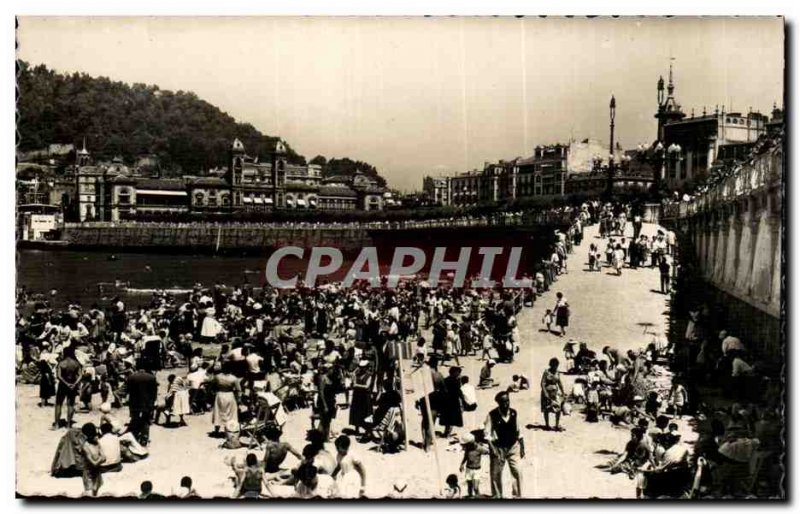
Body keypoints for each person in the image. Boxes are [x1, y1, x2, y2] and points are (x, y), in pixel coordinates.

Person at [484, 391, 524, 498]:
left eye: (507, 401)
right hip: (498, 448)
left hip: (513, 446)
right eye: (503, 402)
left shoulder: (514, 413)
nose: (506, 404)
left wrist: (522, 447)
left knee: (517, 471)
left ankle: (518, 496)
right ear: (498, 403)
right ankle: (497, 496)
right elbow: (487, 435)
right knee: (496, 474)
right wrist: (492, 449)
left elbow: (519, 431)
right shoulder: (492, 415)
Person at [126, 361, 157, 446]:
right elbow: (154, 392)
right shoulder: (151, 377)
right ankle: (144, 439)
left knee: (134, 419)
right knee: (146, 420)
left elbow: (128, 390)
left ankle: (135, 437)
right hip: (147, 402)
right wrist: (153, 402)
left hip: (134, 402)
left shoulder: (131, 377)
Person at [53, 346, 82, 429]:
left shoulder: (61, 363)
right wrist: (74, 384)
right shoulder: (76, 363)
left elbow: (59, 376)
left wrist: (66, 383)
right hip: (72, 384)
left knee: (58, 404)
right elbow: (80, 375)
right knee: (70, 405)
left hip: (62, 385)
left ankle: (57, 424)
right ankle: (69, 424)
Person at [459, 433, 489, 498]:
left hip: (477, 470)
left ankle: (478, 497)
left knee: (475, 487)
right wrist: (462, 464)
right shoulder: (468, 449)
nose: (464, 446)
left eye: (465, 445)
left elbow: (488, 452)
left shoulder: (479, 448)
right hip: (468, 469)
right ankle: (470, 497)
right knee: (469, 486)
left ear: (470, 443)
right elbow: (465, 456)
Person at [81, 423, 106, 497]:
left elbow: (104, 457)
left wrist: (99, 459)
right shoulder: (85, 447)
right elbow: (94, 463)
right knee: (89, 494)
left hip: (97, 473)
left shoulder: (97, 443)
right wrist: (101, 459)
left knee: (95, 493)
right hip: (89, 474)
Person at [540, 358, 565, 431]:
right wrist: (545, 393)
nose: (556, 367)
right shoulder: (546, 372)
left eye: (557, 365)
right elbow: (542, 383)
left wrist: (563, 392)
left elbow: (559, 382)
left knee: (558, 408)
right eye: (554, 365)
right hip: (547, 393)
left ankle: (556, 425)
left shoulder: (557, 372)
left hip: (555, 393)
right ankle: (547, 425)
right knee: (546, 409)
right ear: (551, 365)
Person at [440, 366, 465, 437]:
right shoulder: (456, 381)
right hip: (453, 402)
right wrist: (462, 400)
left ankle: (446, 432)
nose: (459, 374)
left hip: (446, 402)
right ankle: (448, 433)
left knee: (448, 419)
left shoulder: (445, 380)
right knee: (452, 419)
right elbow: (458, 392)